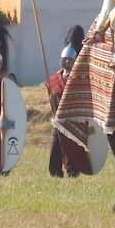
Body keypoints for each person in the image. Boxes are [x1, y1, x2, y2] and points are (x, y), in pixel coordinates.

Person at [47, 45, 80, 178]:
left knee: (72, 147)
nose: (67, 62)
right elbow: (52, 97)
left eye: (69, 60)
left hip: (73, 119)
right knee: (56, 146)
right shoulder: (54, 80)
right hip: (59, 119)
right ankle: (55, 172)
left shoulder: (78, 78)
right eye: (64, 59)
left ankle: (72, 171)